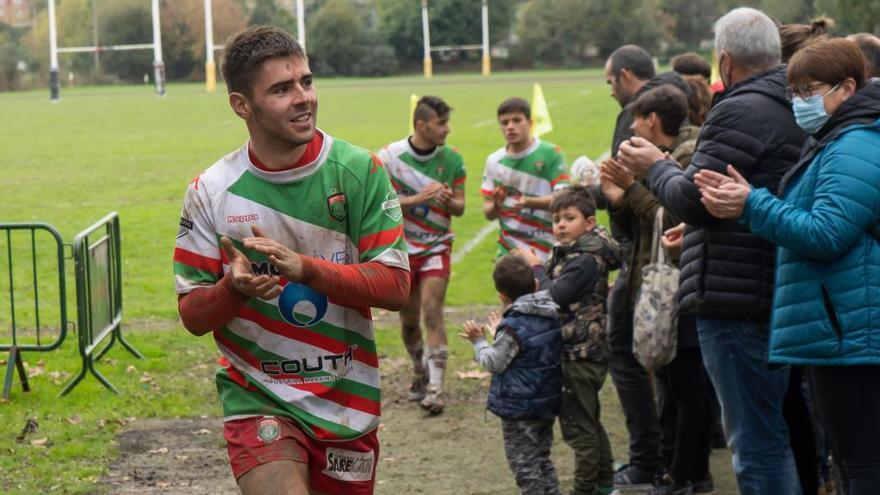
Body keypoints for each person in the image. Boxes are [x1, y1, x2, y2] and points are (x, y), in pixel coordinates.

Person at [173, 26, 410, 494]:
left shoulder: (360, 171)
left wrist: (305, 268)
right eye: (282, 89)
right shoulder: (210, 192)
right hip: (258, 396)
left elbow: (395, 286)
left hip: (348, 398)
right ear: (242, 105)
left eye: (306, 81)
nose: (303, 97)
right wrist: (232, 288)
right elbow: (193, 315)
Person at [616, 7, 807, 494]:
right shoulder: (794, 100)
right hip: (775, 281)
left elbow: (696, 200)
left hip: (737, 296)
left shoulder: (740, 108)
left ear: (724, 62)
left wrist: (654, 166)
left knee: (756, 440)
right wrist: (699, 233)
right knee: (782, 428)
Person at [696, 37, 880, 495]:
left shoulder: (855, 142)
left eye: (808, 90)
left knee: (863, 465)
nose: (799, 103)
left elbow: (826, 231)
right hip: (843, 329)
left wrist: (751, 205)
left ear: (848, 87)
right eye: (793, 92)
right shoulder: (837, 138)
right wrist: (751, 204)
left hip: (852, 335)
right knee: (852, 461)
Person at [602, 85, 713, 495]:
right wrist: (618, 197)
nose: (631, 127)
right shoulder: (667, 158)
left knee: (687, 386)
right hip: (658, 283)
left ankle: (687, 474)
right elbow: (635, 226)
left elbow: (673, 218)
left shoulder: (688, 154)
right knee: (670, 382)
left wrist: (631, 189)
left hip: (683, 285)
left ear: (652, 120)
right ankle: (673, 466)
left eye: (636, 119)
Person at [516, 186, 622, 495]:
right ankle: (605, 484)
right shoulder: (576, 253)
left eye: (569, 218)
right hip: (583, 351)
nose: (560, 225)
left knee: (579, 430)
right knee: (590, 421)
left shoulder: (584, 260)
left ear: (589, 223)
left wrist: (535, 267)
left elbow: (555, 296)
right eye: (557, 219)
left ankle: (585, 489)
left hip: (579, 354)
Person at [377, 96, 466, 415]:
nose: (447, 129)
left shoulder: (453, 160)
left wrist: (446, 201)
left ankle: (436, 388)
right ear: (421, 125)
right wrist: (418, 198)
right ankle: (419, 369)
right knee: (409, 321)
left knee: (432, 310)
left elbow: (460, 206)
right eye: (441, 123)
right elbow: (381, 206)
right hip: (401, 248)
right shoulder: (388, 158)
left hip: (436, 245)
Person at [460, 255, 563, 495]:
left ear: (502, 297)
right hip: (546, 403)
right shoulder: (550, 313)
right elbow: (527, 346)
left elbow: (494, 362)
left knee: (526, 469)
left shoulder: (513, 327)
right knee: (543, 460)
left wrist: (479, 342)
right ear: (535, 285)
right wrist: (502, 331)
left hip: (519, 410)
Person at [481, 97, 568, 262]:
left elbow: (563, 199)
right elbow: (488, 213)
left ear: (530, 122)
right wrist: (496, 204)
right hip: (510, 248)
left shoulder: (551, 153)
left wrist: (527, 202)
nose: (510, 127)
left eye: (516, 120)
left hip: (547, 244)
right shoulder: (494, 161)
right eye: (504, 123)